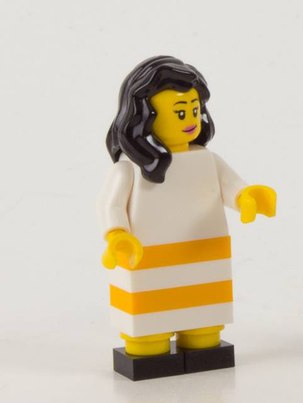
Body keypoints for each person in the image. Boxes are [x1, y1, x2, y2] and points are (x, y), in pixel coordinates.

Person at [98, 56, 276, 379]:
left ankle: (201, 339)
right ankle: (148, 344)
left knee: (204, 322)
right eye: (180, 112)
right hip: (147, 259)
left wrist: (248, 197)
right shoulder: (129, 169)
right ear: (144, 118)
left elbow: (232, 186)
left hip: (204, 254)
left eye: (195, 109)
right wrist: (117, 235)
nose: (191, 119)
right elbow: (111, 206)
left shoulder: (207, 159)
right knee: (148, 327)